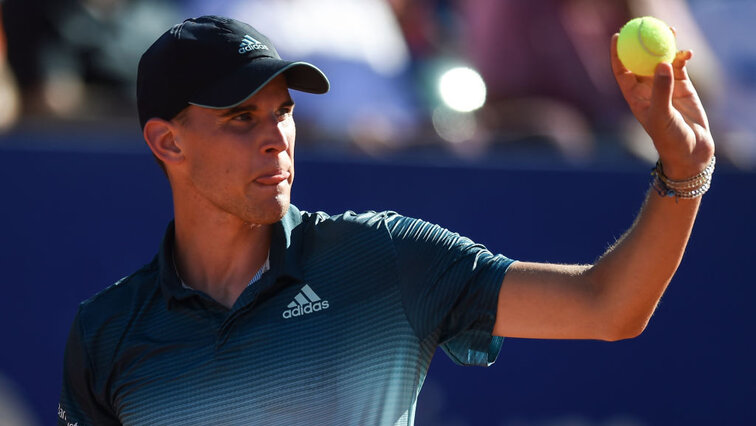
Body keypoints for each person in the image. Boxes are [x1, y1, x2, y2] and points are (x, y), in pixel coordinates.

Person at [57, 15, 715, 425]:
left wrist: (685, 174)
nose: (278, 138)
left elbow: (607, 307)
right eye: (241, 118)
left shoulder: (386, 257)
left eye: (282, 111)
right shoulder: (107, 333)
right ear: (167, 143)